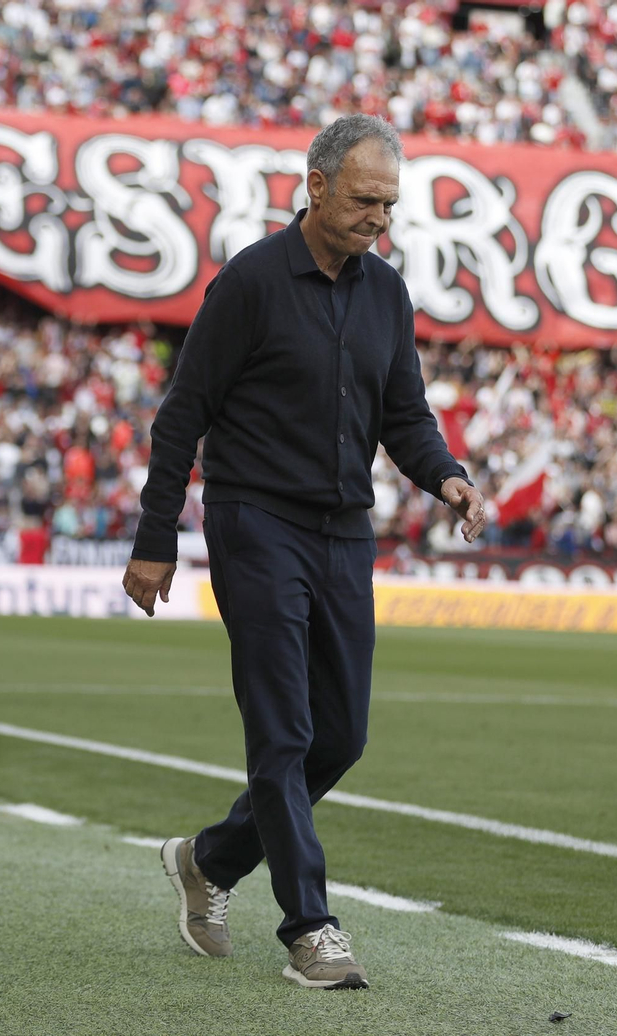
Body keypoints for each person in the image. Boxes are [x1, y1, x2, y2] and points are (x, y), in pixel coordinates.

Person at [122, 115, 487, 990]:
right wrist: (153, 537)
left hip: (343, 532)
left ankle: (209, 860)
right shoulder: (247, 283)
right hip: (253, 524)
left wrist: (449, 477)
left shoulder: (386, 293)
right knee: (283, 733)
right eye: (365, 200)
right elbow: (183, 416)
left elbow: (404, 415)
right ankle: (310, 926)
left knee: (341, 738)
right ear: (315, 184)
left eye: (390, 205)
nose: (378, 219)